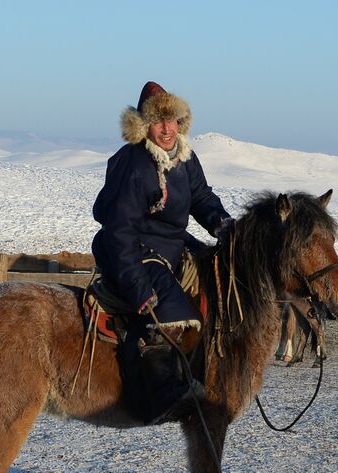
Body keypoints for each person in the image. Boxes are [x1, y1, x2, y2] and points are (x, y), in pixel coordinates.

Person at [91, 80, 233, 424]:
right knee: (167, 306)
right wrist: (139, 288)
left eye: (172, 120)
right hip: (131, 248)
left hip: (172, 246)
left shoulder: (184, 157)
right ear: (143, 126)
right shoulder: (135, 165)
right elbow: (119, 231)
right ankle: (161, 393)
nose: (167, 129)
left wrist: (224, 225)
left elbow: (201, 197)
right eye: (158, 121)